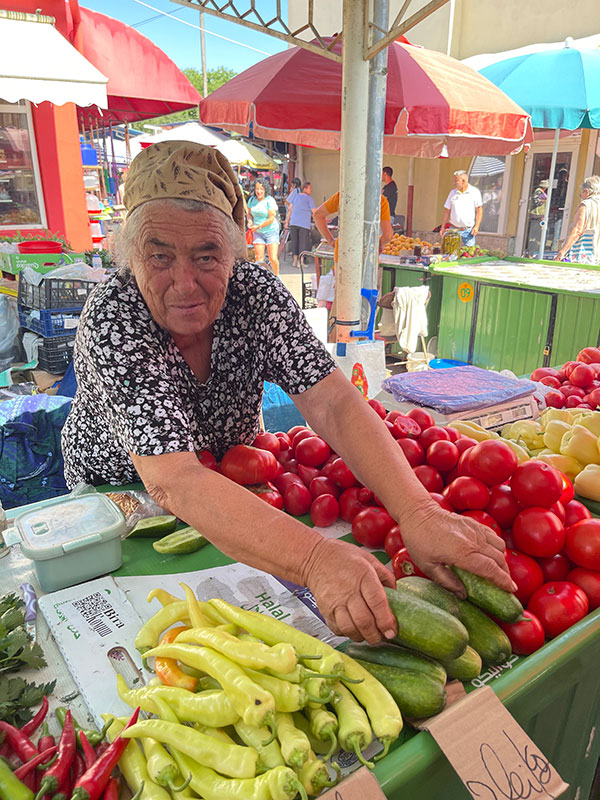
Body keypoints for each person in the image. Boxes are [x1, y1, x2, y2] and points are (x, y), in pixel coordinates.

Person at [61, 141, 514, 644]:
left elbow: (333, 400)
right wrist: (316, 559)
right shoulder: (113, 315)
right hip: (120, 499)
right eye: (159, 255)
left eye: (206, 255)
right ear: (129, 254)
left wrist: (418, 511)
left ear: (234, 252)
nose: (184, 282)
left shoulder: (255, 293)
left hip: (222, 488)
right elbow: (174, 479)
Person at [556, 175, 600, 264]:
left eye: (581, 194)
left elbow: (577, 231)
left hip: (585, 256)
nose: (581, 196)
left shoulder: (586, 205)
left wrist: (561, 253)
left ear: (587, 191)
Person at [247, 178, 280, 276]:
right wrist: (249, 222)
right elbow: (249, 214)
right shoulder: (252, 200)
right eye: (257, 189)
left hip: (271, 231)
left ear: (265, 190)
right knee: (259, 258)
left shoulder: (270, 200)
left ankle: (276, 277)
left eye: (261, 189)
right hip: (258, 232)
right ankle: (261, 278)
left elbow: (271, 218)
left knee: (273, 258)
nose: (259, 191)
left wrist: (258, 226)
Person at [441, 170, 483, 246]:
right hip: (453, 230)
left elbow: (479, 211)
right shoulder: (452, 193)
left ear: (463, 181)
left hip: (468, 231)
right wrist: (442, 227)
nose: (454, 183)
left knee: (469, 255)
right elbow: (447, 211)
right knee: (450, 254)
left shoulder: (474, 192)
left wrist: (476, 227)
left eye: (456, 181)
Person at [285, 181, 316, 268]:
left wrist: (287, 222)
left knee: (295, 242)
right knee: (302, 243)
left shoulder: (296, 196)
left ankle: (295, 261)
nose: (311, 190)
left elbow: (290, 208)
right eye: (310, 188)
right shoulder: (309, 198)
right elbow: (314, 212)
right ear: (305, 189)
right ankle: (301, 262)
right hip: (303, 224)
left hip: (293, 223)